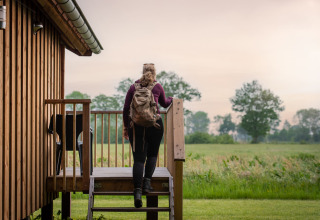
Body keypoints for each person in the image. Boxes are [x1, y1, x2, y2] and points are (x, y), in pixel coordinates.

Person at [123, 63, 172, 208]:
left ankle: (137, 193)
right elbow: (164, 103)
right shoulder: (157, 86)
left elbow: (126, 108)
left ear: (142, 72)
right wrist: (171, 99)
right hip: (155, 125)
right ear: (154, 73)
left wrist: (126, 127)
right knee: (152, 156)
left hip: (136, 127)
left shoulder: (133, 87)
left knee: (138, 160)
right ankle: (147, 184)